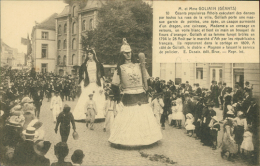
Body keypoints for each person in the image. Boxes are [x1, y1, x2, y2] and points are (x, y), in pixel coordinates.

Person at [108, 38, 162, 146]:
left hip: (141, 95)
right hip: (128, 96)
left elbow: (147, 80)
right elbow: (114, 85)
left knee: (144, 117)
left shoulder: (139, 66)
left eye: (129, 53)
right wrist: (118, 100)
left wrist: (152, 84)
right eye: (125, 53)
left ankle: (148, 139)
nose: (128, 55)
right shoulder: (119, 68)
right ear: (121, 54)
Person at [73, 49, 106, 121]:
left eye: (91, 54)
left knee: (98, 98)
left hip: (96, 83)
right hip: (88, 83)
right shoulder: (85, 65)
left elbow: (101, 75)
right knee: (86, 97)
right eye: (88, 54)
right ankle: (85, 115)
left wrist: (101, 84)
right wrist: (83, 81)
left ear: (94, 55)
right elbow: (81, 75)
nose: (89, 56)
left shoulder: (98, 64)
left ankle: (99, 115)